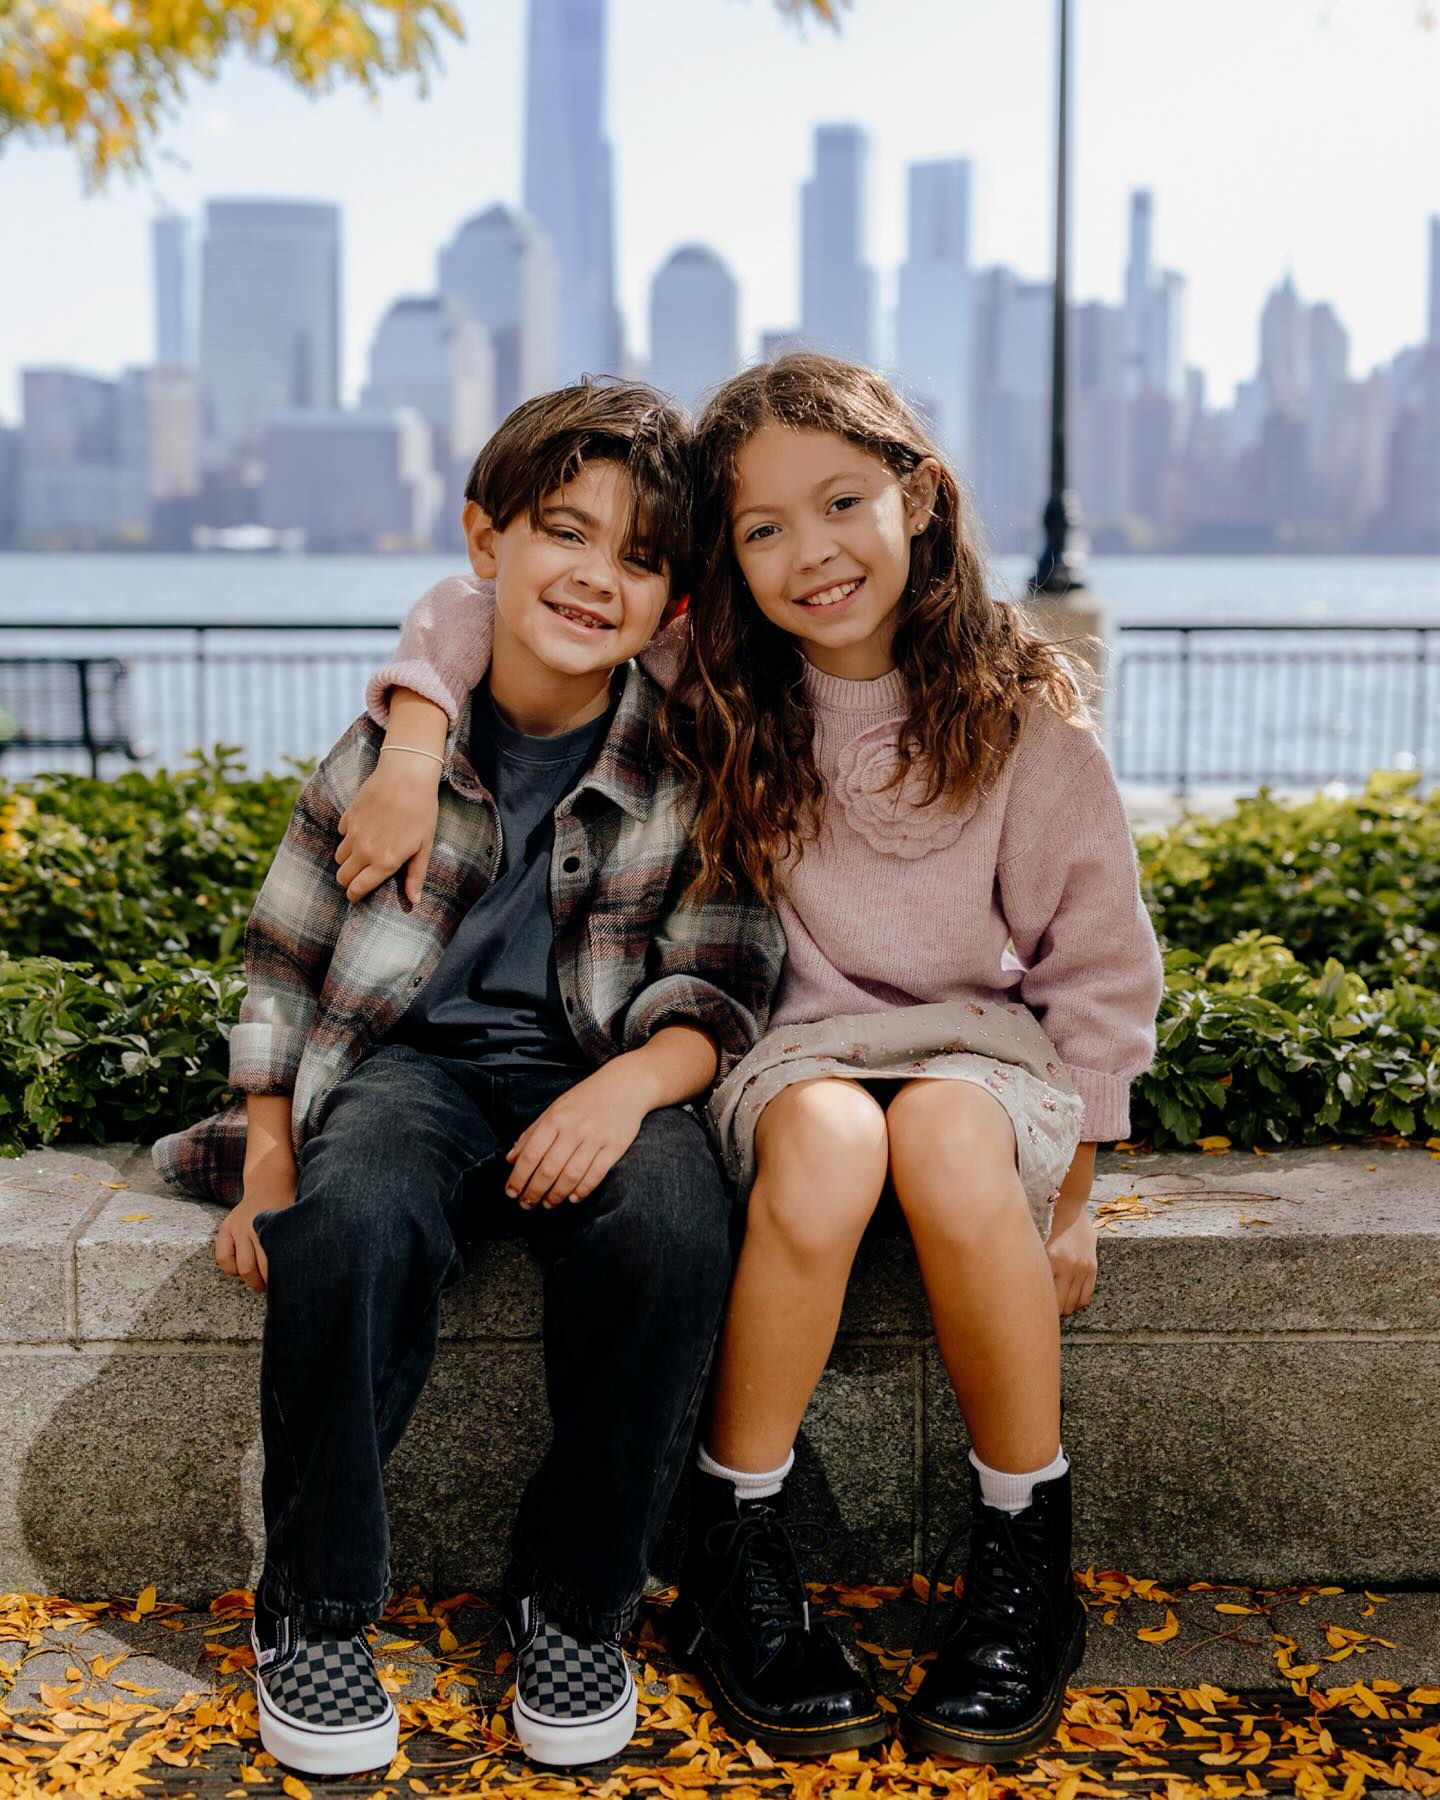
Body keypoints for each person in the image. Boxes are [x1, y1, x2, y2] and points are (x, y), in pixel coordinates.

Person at [338, 353, 1164, 1766]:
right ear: (725, 559)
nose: (809, 554)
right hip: (786, 1051)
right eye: (760, 530)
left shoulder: (1022, 705)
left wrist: (1072, 1193)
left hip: (981, 1052)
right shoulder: (711, 674)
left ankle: (1026, 1556)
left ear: (921, 496)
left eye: (842, 502)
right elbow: (484, 605)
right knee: (838, 1138)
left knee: (954, 1139)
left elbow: (1097, 968)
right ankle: (739, 1538)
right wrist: (414, 743)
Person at [154, 380, 785, 1778]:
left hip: (608, 1072)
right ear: (485, 541)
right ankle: (313, 1615)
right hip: (412, 1067)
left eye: (638, 558)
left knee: (678, 1229)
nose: (595, 577)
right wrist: (270, 1166)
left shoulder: (689, 762)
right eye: (567, 532)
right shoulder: (389, 755)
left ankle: (576, 1603)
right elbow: (284, 958)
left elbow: (725, 981)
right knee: (358, 1216)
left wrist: (624, 1093)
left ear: (672, 602)